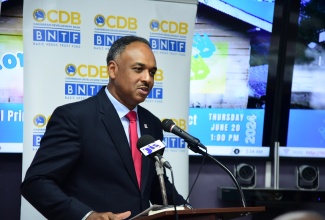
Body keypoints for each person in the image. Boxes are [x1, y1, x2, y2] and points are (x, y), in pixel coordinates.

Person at [21, 35, 189, 220]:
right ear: (112, 69)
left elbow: (155, 184)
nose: (147, 79)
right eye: (138, 69)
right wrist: (87, 216)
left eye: (152, 72)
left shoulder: (152, 124)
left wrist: (188, 210)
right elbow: (36, 183)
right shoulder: (75, 118)